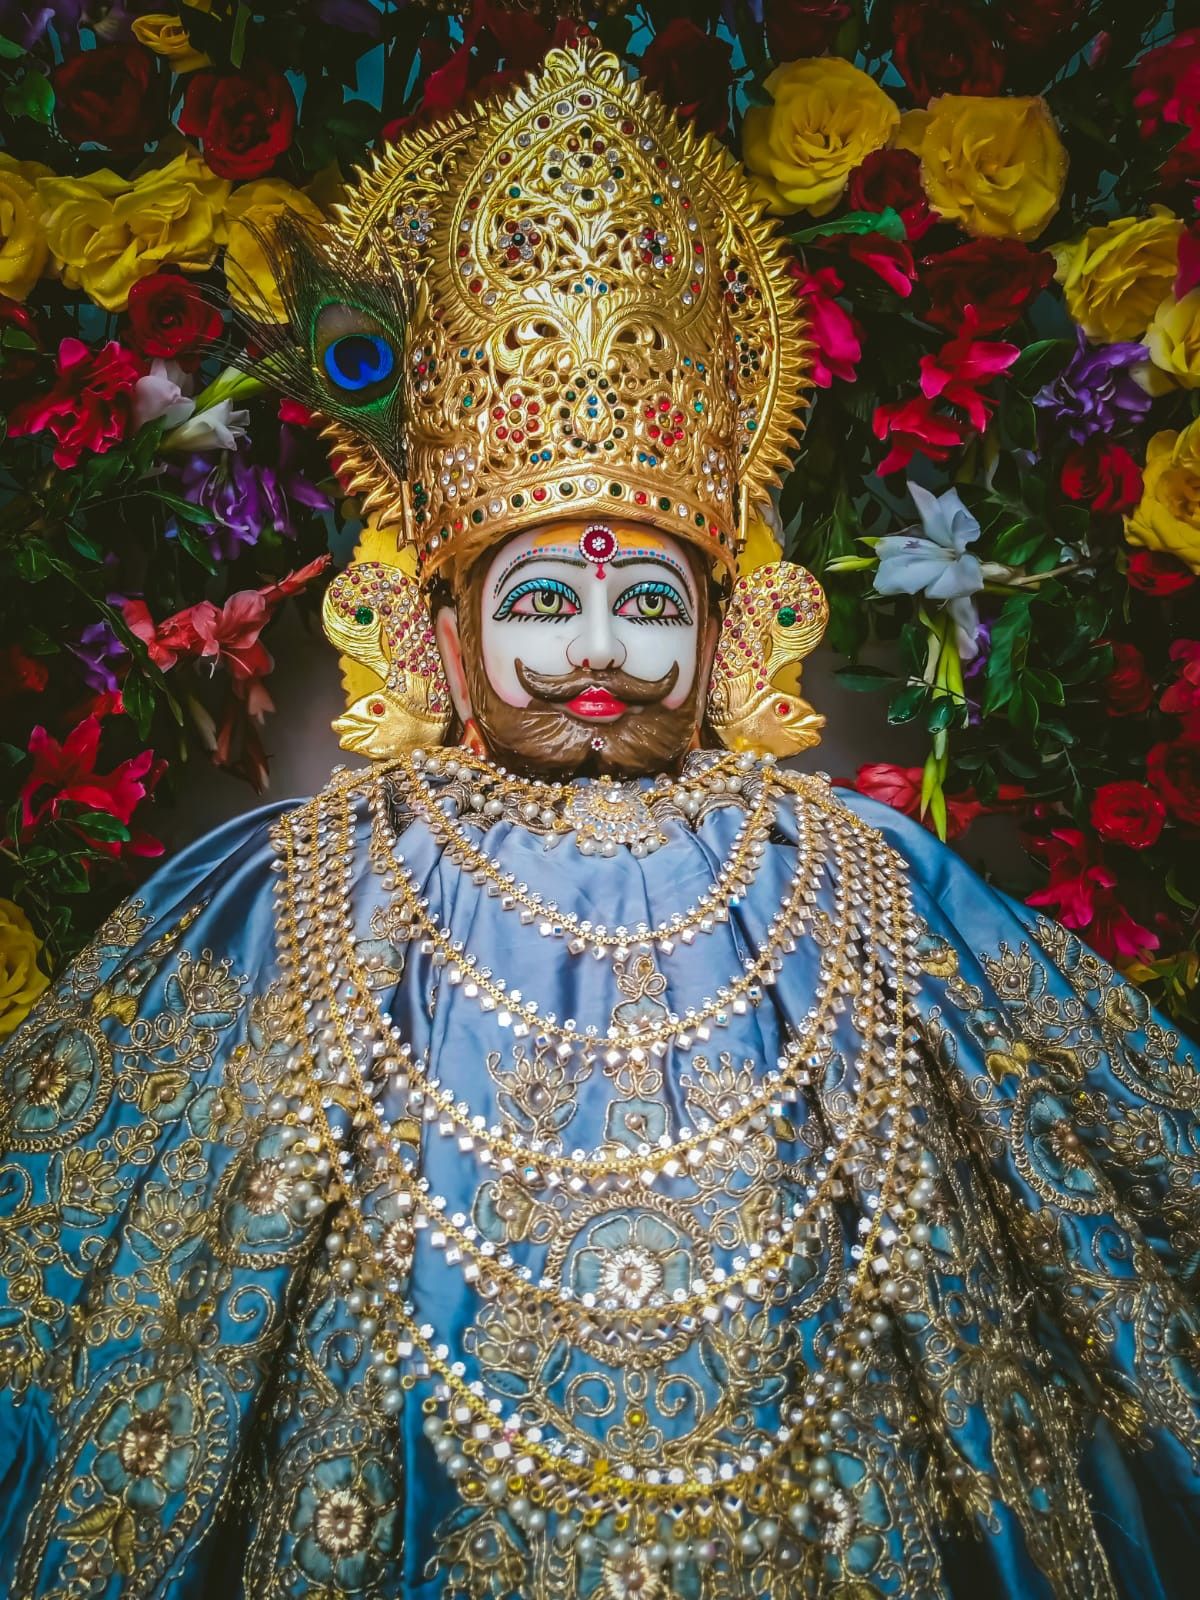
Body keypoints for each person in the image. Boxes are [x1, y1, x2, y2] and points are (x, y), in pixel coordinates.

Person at [1, 40, 1197, 1600]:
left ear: (724, 631)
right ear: (439, 634)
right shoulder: (285, 884)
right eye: (542, 602)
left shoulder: (857, 871)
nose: (594, 655)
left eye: (647, 604)